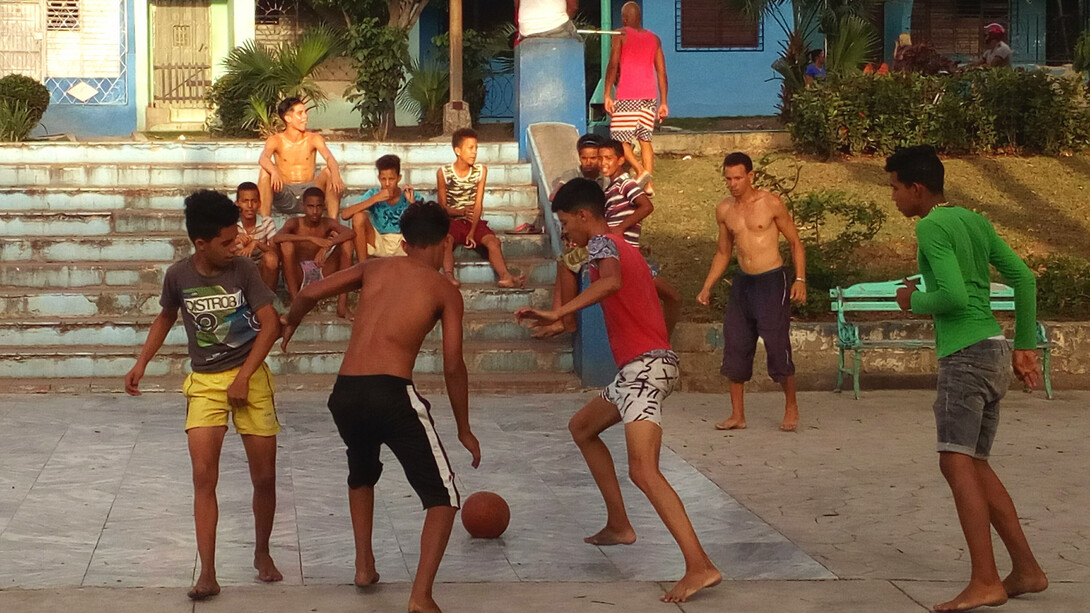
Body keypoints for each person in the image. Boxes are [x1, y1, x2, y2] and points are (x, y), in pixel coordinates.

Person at [516, 179, 721, 603]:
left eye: (566, 221)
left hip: (644, 369)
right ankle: (619, 524)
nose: (565, 231)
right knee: (583, 427)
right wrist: (659, 337)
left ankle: (700, 565)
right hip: (639, 370)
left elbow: (608, 284)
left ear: (585, 216)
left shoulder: (603, 246)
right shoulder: (626, 251)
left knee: (644, 471)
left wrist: (559, 309)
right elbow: (672, 295)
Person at [279, 200, 481, 613]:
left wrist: (291, 323)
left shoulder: (374, 266)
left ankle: (364, 566)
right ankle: (421, 597)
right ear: (446, 243)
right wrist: (464, 427)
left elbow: (312, 290)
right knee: (443, 498)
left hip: (346, 393)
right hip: (390, 392)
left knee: (362, 471)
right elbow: (453, 364)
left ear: (404, 242)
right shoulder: (444, 289)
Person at [885, 145, 1048, 612]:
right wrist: (1024, 346)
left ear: (917, 189)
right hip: (995, 350)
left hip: (965, 355)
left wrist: (909, 301)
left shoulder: (931, 225)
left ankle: (985, 579)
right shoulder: (975, 221)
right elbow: (1024, 278)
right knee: (974, 462)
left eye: (895, 188)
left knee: (955, 463)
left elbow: (954, 298)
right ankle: (1027, 570)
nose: (893, 197)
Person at [123, 190, 283, 600]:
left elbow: (271, 325)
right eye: (228, 242)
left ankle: (262, 551)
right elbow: (165, 316)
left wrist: (245, 376)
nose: (236, 246)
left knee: (264, 476)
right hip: (206, 383)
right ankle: (208, 572)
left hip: (250, 377)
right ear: (201, 243)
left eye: (236, 240)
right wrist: (141, 362)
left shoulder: (244, 271)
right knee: (203, 477)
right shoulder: (178, 275)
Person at [696, 152, 806, 432]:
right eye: (728, 178)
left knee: (776, 345)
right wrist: (708, 285)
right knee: (736, 344)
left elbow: (795, 242)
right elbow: (723, 251)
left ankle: (791, 405)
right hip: (743, 283)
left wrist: (800, 279)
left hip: (771, 280)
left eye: (737, 178)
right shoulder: (724, 210)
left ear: (750, 176)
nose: (732, 183)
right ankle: (737, 415)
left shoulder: (770, 203)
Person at [437, 128, 526, 289]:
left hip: (474, 221)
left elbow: (478, 204)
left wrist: (472, 232)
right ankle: (448, 276)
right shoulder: (444, 173)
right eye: (470, 148)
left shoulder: (480, 171)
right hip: (452, 221)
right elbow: (442, 207)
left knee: (493, 242)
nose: (474, 152)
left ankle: (505, 276)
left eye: (476, 148)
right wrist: (461, 212)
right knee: (446, 240)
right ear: (458, 150)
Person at [604, 1, 668, 196]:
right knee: (645, 140)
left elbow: (613, 64)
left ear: (624, 18)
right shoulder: (654, 39)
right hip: (649, 96)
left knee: (620, 141)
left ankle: (641, 172)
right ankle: (648, 185)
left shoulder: (620, 34)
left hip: (627, 95)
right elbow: (662, 72)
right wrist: (664, 102)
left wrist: (607, 93)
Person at [273, 187, 355, 319]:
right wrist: (310, 238)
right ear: (303, 206)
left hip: (322, 270)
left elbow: (350, 232)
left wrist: (327, 246)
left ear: (324, 206)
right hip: (299, 273)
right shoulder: (294, 223)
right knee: (287, 246)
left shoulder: (327, 223)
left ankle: (342, 305)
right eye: (311, 206)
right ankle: (295, 304)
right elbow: (277, 238)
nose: (315, 211)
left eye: (319, 206)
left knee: (347, 244)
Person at [257, 97, 345, 219]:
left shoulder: (314, 138)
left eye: (305, 112)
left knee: (330, 171)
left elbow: (330, 158)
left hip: (310, 192)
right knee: (264, 172)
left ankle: (333, 223)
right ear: (288, 118)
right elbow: (263, 158)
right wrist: (274, 171)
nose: (305, 117)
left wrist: (335, 173)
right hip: (285, 192)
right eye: (300, 113)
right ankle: (265, 224)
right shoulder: (276, 140)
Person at [340, 154, 416, 260]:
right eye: (383, 179)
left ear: (399, 178)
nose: (387, 183)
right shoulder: (373, 193)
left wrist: (412, 203)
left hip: (403, 242)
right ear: (378, 178)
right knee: (358, 217)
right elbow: (345, 215)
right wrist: (374, 199)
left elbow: (429, 222)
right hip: (378, 240)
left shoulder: (409, 194)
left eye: (391, 179)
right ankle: (362, 267)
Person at [235, 181, 281, 291]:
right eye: (245, 201)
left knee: (271, 258)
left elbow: (276, 253)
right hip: (238, 270)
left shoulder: (267, 222)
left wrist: (256, 243)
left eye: (254, 201)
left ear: (259, 203)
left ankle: (268, 299)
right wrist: (235, 241)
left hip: (261, 272)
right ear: (237, 203)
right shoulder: (231, 224)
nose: (250, 206)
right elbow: (220, 251)